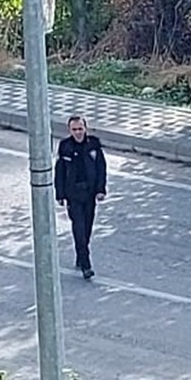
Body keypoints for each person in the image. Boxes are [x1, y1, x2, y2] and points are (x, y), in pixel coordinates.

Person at [54, 114, 108, 279]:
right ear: (69, 130)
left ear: (85, 128)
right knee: (78, 228)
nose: (78, 132)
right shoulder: (65, 146)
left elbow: (101, 168)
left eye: (80, 129)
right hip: (73, 194)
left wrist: (100, 190)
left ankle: (80, 254)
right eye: (74, 129)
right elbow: (60, 171)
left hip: (89, 193)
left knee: (87, 228)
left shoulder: (93, 145)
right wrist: (60, 194)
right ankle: (86, 265)